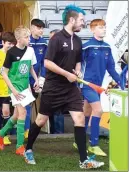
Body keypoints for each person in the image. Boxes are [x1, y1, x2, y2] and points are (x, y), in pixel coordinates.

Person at [24, 5, 104, 169]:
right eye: (81, 20)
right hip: (53, 88)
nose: (83, 23)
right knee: (40, 120)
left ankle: (84, 160)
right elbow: (47, 62)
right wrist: (66, 74)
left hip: (71, 88)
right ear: (72, 20)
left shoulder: (77, 40)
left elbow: (78, 59)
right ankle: (28, 149)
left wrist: (77, 70)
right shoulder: (56, 39)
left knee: (79, 119)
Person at [73, 19, 125, 156]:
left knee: (86, 113)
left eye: (104, 27)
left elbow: (111, 69)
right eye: (100, 27)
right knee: (99, 110)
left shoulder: (107, 47)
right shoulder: (86, 47)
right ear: (92, 29)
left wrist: (122, 83)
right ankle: (93, 144)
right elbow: (77, 65)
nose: (104, 29)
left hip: (98, 86)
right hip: (87, 85)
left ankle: (78, 140)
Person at [0, 26, 39, 156]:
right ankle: (20, 146)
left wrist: (36, 79)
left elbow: (30, 67)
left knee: (16, 115)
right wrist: (13, 90)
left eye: (29, 36)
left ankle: (1, 133)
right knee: (23, 113)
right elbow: (4, 73)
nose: (29, 39)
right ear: (19, 39)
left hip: (25, 86)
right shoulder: (11, 53)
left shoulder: (30, 50)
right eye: (26, 37)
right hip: (14, 87)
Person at [24, 19, 47, 139]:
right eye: (39, 28)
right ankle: (25, 130)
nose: (41, 30)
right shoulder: (26, 41)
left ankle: (27, 129)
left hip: (36, 80)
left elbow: (44, 62)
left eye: (42, 28)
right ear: (32, 28)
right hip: (23, 78)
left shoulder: (44, 43)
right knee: (25, 105)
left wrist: (41, 78)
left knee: (31, 104)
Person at [48, 29, 65, 134]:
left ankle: (59, 134)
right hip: (50, 83)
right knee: (50, 110)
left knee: (58, 111)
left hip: (60, 84)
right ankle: (53, 132)